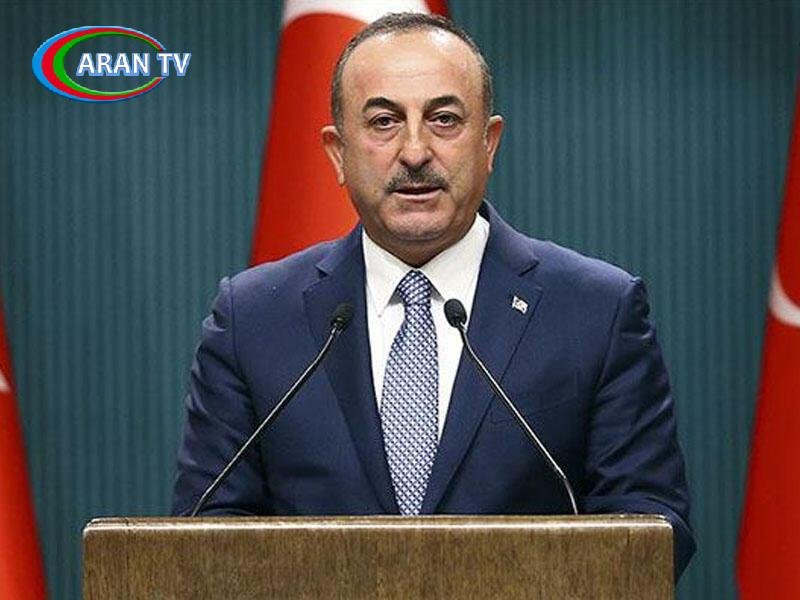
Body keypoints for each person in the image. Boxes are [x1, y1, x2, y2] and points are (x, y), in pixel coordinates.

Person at [172, 13, 696, 578]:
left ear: (489, 143)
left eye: (444, 119)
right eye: (383, 122)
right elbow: (205, 543)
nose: (415, 151)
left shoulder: (596, 310)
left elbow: (649, 535)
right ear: (337, 153)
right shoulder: (253, 319)